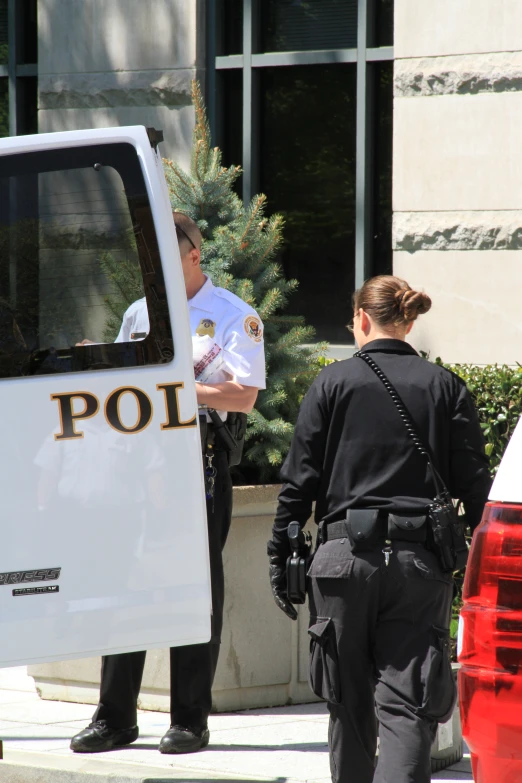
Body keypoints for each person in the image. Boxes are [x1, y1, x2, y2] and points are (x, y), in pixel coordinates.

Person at [267, 275, 491, 783]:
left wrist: (280, 558)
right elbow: (478, 492)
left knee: (346, 706)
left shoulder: (331, 382)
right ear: (409, 322)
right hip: (419, 567)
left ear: (361, 320)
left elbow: (298, 485)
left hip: (342, 564)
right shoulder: (446, 386)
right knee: (409, 709)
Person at [70, 213, 266, 755]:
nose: (150, 268)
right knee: (121, 584)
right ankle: (115, 717)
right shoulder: (138, 313)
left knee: (195, 588)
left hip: (196, 463)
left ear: (192, 255)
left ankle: (189, 720)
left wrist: (179, 389)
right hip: (135, 464)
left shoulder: (232, 316)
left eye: (162, 257)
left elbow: (243, 396)